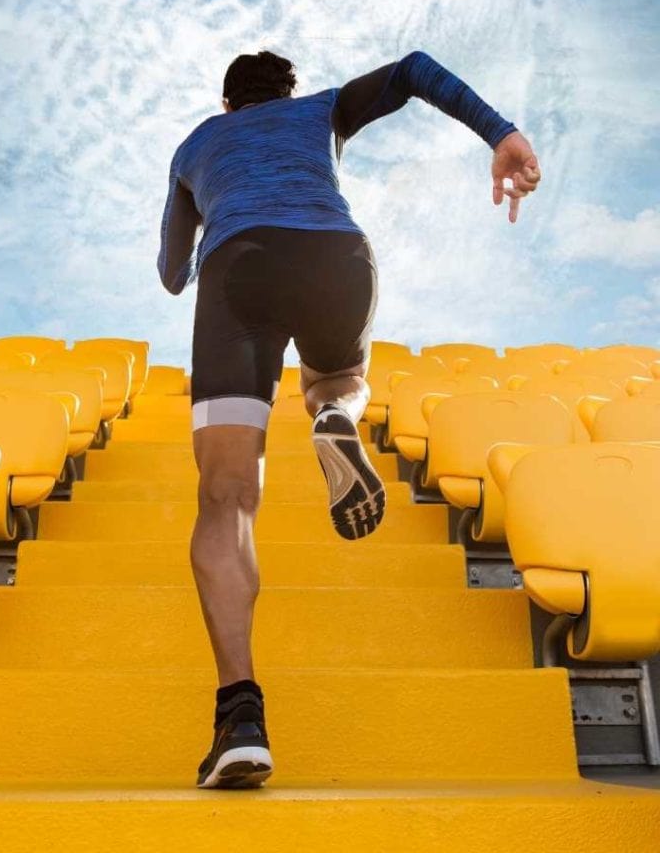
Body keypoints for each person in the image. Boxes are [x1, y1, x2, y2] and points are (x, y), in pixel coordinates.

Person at [156, 49, 542, 789]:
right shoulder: (322, 110)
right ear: (287, 93)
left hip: (238, 267)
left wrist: (207, 198)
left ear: (228, 103)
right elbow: (414, 70)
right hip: (336, 254)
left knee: (226, 496)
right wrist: (502, 135)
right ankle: (334, 412)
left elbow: (175, 275)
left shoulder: (197, 142)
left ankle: (240, 717)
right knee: (338, 377)